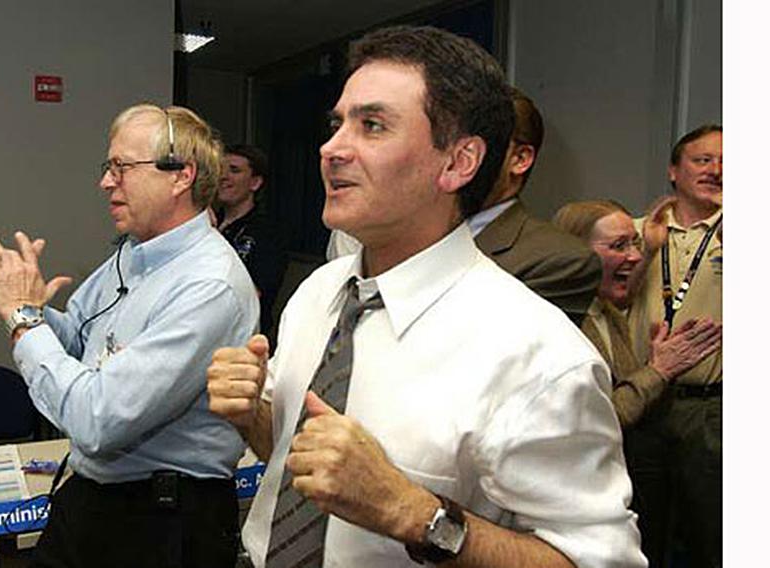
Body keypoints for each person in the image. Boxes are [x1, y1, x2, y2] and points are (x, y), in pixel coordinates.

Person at [208, 25, 645, 568]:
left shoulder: (538, 354)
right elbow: (305, 470)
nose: (331, 148)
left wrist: (414, 513)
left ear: (458, 162)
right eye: (336, 123)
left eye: (371, 125)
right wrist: (254, 413)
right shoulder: (319, 294)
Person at [0, 104, 259, 567]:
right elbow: (82, 344)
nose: (106, 182)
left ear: (181, 175)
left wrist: (24, 319)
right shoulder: (133, 253)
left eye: (122, 167)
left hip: (163, 524)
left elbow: (98, 419)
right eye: (108, 167)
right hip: (96, 500)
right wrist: (25, 303)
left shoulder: (209, 285)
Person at [326, 88, 600, 326]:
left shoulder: (560, 260)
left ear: (519, 158)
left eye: (477, 147)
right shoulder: (404, 233)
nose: (459, 158)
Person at [625, 125, 723, 568]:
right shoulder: (631, 231)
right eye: (703, 160)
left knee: (713, 538)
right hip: (640, 401)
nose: (716, 170)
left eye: (727, 163)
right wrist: (646, 253)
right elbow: (609, 297)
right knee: (639, 536)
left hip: (711, 410)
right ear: (673, 170)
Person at [552, 199, 721, 428]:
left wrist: (662, 364)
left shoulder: (610, 316)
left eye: (635, 244)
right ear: (575, 251)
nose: (636, 257)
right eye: (619, 246)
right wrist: (659, 370)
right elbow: (599, 421)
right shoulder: (560, 323)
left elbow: (635, 407)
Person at [217, 144, 287, 339]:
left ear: (255, 183)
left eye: (234, 170)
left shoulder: (268, 232)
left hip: (243, 337)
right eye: (220, 169)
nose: (223, 176)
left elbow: (255, 292)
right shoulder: (206, 224)